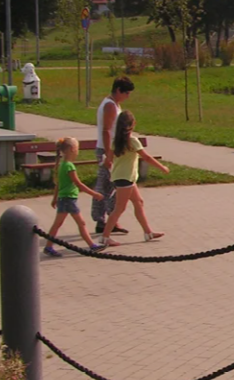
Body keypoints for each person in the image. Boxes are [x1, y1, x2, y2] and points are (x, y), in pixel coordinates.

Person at [100, 111, 170, 247]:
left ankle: (148, 232)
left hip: (124, 178)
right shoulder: (132, 141)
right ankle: (105, 237)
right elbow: (147, 157)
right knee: (119, 208)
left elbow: (108, 159)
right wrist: (162, 168)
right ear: (132, 125)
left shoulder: (116, 141)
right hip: (125, 179)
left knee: (138, 202)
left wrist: (107, 162)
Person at [42, 137, 106, 257]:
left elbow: (58, 184)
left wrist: (55, 198)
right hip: (69, 199)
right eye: (77, 149)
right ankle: (92, 245)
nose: (78, 152)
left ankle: (48, 246)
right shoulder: (69, 166)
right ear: (72, 149)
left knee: (57, 224)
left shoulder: (62, 165)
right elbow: (78, 184)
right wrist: (94, 194)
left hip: (63, 199)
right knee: (81, 223)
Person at [92, 77, 135, 235]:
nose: (128, 96)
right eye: (126, 93)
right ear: (118, 90)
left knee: (112, 186)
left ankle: (111, 218)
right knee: (106, 186)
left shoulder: (115, 104)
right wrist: (109, 155)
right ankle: (101, 220)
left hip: (112, 149)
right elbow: (106, 130)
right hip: (106, 150)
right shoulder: (109, 106)